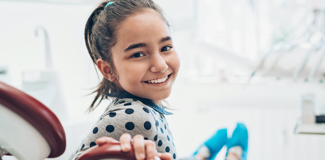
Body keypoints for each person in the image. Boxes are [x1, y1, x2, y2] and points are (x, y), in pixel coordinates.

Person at [70, 0, 248, 160]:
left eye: (166, 47)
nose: (161, 65)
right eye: (138, 54)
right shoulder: (137, 118)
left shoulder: (139, 106)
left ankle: (201, 155)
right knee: (241, 138)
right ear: (108, 70)